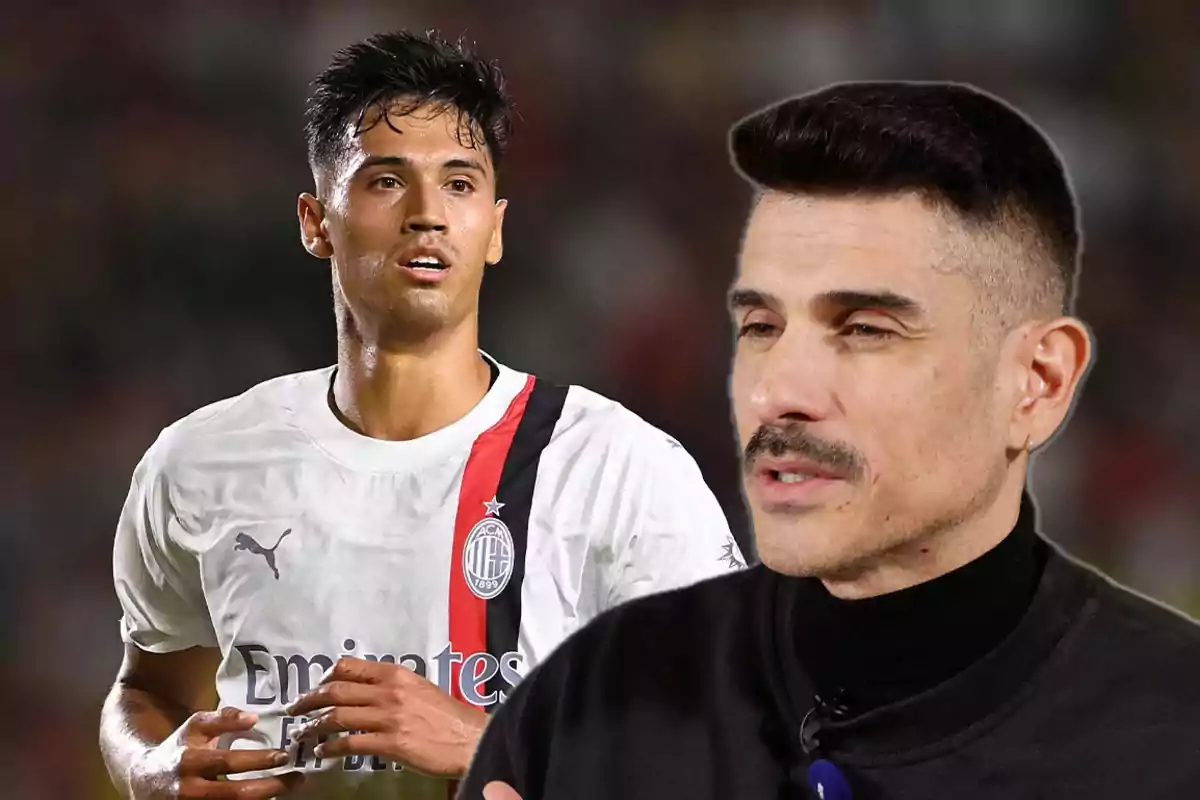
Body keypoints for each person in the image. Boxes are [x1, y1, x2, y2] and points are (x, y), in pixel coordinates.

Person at [460, 81, 1200, 800]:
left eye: (866, 330)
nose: (778, 392)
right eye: (762, 327)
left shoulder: (1173, 736)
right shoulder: (595, 705)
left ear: (1036, 382)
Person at [98, 30, 743, 800]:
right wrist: (150, 765)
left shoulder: (618, 469)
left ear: (495, 229)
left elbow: (725, 745)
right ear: (315, 222)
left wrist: (490, 745)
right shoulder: (199, 462)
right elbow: (147, 689)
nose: (429, 214)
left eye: (461, 184)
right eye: (385, 181)